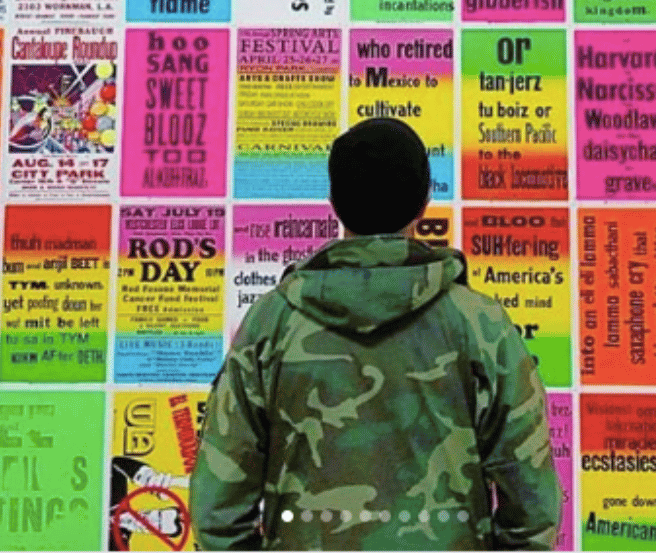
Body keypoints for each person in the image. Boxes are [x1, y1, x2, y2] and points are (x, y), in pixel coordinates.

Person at [189, 117, 562, 551]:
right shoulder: (479, 324)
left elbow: (217, 509)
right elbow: (533, 506)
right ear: (425, 202)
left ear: (334, 202)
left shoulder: (271, 324)